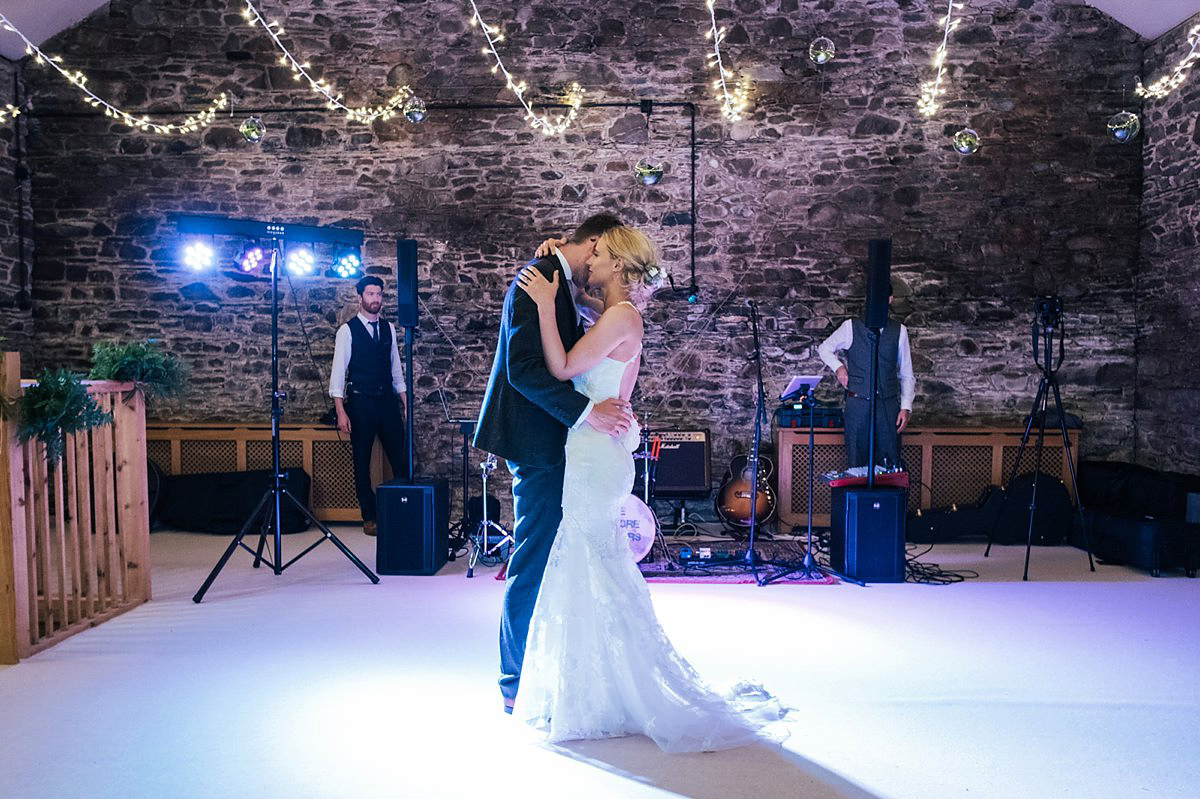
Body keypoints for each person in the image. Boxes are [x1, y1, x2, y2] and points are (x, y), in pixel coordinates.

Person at [511, 225, 787, 752]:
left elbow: (563, 365)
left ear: (618, 265)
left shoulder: (620, 317)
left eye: (599, 254)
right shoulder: (614, 312)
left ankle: (605, 688)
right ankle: (596, 683)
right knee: (591, 561)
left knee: (589, 559)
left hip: (595, 454)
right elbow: (587, 307)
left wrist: (546, 303)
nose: (589, 258)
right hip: (597, 449)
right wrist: (561, 272)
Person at [474, 213, 634, 716]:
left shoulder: (562, 282)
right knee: (535, 557)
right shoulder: (540, 277)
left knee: (561, 558)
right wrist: (587, 413)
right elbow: (523, 370)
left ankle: (554, 671)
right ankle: (514, 681)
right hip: (540, 444)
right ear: (592, 245)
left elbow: (573, 353)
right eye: (598, 254)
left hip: (569, 447)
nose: (596, 266)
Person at [329, 275, 409, 537]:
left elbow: (396, 368)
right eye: (371, 294)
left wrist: (405, 402)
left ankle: (402, 510)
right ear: (360, 297)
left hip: (387, 401)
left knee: (400, 458)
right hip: (361, 401)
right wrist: (341, 411)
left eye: (379, 294)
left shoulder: (388, 329)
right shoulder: (347, 330)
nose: (376, 299)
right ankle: (369, 516)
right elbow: (338, 372)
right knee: (361, 461)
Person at [816, 283, 915, 470]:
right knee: (856, 461)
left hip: (888, 405)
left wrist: (905, 407)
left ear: (890, 300)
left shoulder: (899, 331)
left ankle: (885, 499)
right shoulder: (851, 327)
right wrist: (839, 368)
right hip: (858, 404)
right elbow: (824, 348)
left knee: (889, 462)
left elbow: (906, 373)